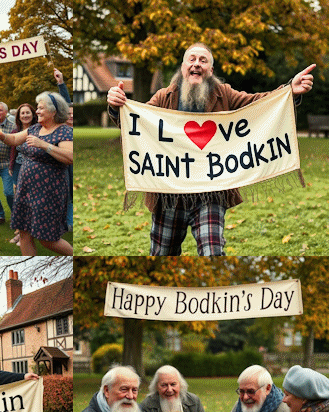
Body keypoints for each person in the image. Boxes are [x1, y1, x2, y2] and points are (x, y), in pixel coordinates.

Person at [107, 42, 316, 256]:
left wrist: (290, 90)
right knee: (161, 253)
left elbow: (257, 103)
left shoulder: (224, 94)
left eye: (203, 60)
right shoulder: (164, 96)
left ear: (211, 70)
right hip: (169, 193)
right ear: (182, 66)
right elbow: (137, 123)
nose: (197, 64)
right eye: (192, 59)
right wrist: (116, 107)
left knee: (213, 252)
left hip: (211, 193)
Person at [0, 92, 73, 256]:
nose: (37, 111)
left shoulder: (64, 131)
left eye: (41, 108)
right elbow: (14, 139)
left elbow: (69, 157)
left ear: (53, 111)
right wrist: (3, 136)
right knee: (24, 233)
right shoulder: (35, 128)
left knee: (47, 239)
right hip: (26, 190)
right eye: (37, 108)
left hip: (49, 193)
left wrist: (44, 145)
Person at [8, 103, 38, 245]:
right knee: (18, 200)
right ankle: (21, 232)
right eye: (22, 113)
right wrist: (11, 166)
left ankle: (26, 234)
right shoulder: (16, 132)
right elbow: (13, 151)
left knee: (30, 201)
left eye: (28, 113)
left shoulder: (39, 130)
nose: (25, 115)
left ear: (33, 114)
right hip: (19, 167)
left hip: (34, 169)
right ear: (19, 117)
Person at [54, 67, 74, 232]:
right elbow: (65, 103)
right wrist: (60, 83)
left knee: (71, 195)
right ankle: (66, 222)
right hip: (62, 165)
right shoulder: (60, 129)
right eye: (69, 114)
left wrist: (61, 82)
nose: (71, 116)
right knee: (64, 194)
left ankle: (69, 222)